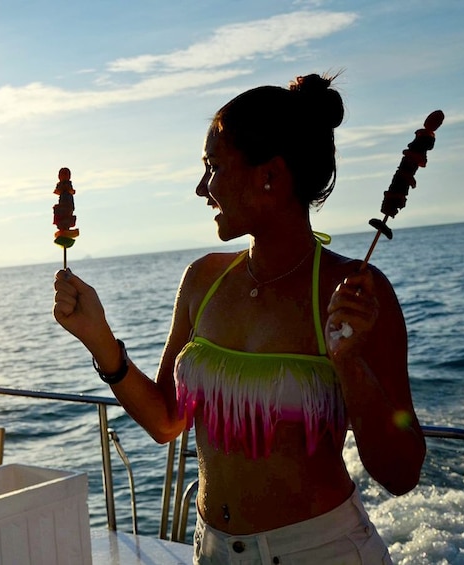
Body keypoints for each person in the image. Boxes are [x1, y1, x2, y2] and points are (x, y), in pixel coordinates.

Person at [53, 73, 425, 564]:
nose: (201, 188)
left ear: (268, 176)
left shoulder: (355, 294)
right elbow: (167, 421)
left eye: (214, 167)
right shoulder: (202, 281)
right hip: (212, 551)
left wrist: (349, 362)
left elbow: (400, 474)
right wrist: (99, 339)